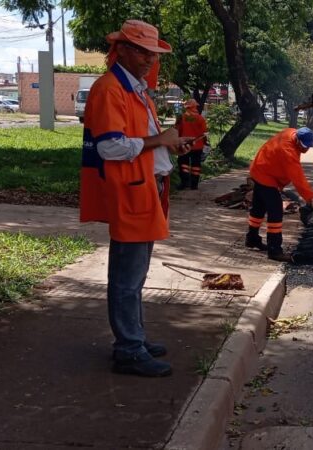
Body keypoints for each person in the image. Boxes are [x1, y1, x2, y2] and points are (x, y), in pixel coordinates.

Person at [79, 20, 193, 377]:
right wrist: (161, 141)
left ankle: (135, 338)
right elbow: (111, 147)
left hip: (145, 186)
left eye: (153, 53)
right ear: (123, 49)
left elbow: (139, 138)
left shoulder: (135, 89)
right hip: (130, 189)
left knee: (137, 273)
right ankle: (128, 349)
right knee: (127, 276)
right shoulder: (110, 89)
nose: (149, 59)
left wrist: (169, 143)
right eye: (143, 51)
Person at [247, 127, 313, 261]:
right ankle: (275, 251)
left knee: (258, 208)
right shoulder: (288, 152)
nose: (306, 150)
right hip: (265, 176)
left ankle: (252, 239)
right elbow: (298, 180)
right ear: (298, 141)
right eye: (305, 147)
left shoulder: (291, 132)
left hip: (260, 168)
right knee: (276, 211)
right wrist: (312, 198)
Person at [174, 99, 208, 190]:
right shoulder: (200, 118)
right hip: (198, 146)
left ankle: (185, 183)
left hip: (184, 145)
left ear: (187, 107)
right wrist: (206, 143)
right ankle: (194, 185)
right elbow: (204, 133)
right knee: (196, 165)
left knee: (183, 164)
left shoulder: (181, 117)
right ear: (195, 107)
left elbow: (176, 131)